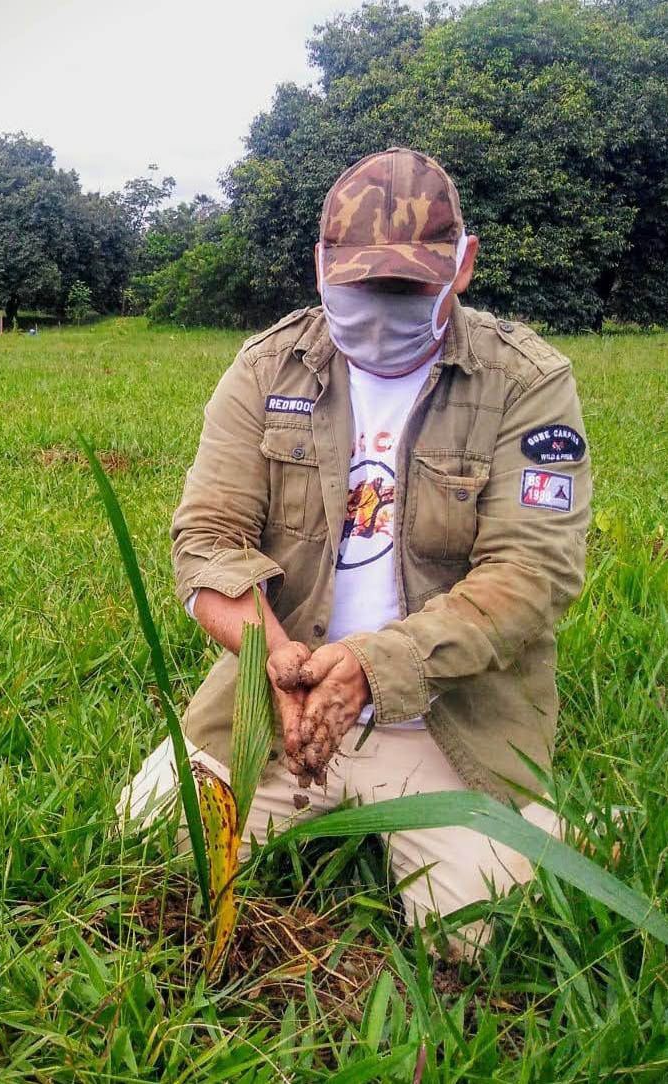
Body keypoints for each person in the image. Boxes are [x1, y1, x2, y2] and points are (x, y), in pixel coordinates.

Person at [119, 148, 591, 959]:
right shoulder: (268, 365)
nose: (377, 311)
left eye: (406, 290)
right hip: (276, 700)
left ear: (462, 267)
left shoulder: (525, 381)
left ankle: (556, 827)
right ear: (319, 268)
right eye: (355, 288)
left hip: (442, 714)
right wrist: (273, 656)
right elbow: (206, 540)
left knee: (477, 935)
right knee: (142, 849)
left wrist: (376, 666)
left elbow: (531, 574)